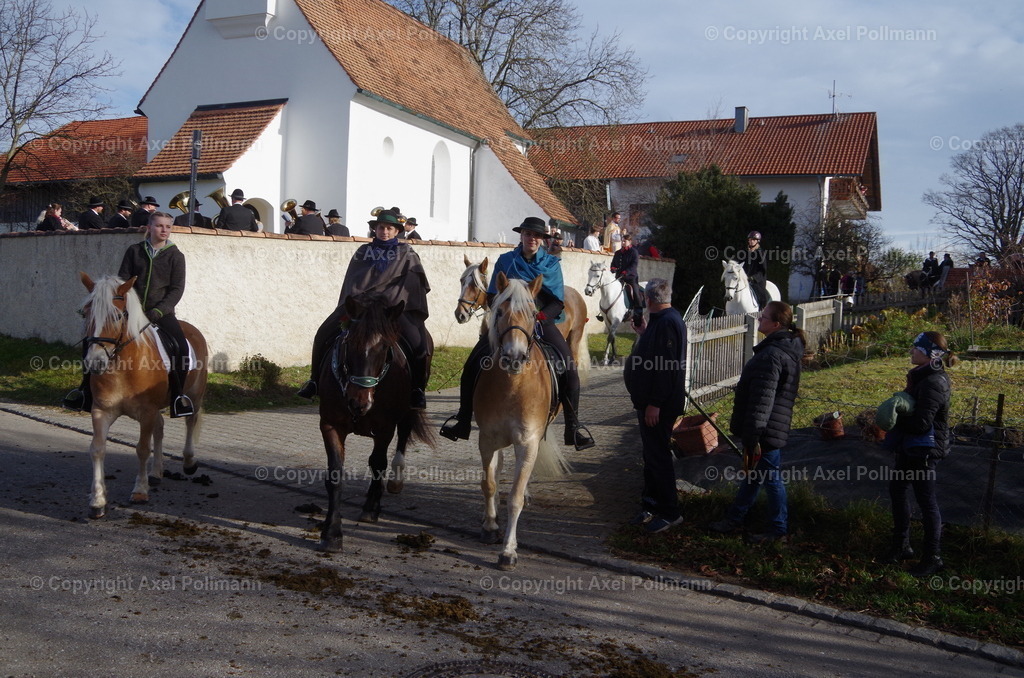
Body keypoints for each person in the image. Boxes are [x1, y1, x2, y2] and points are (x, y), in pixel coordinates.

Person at [439, 216, 595, 450]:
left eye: (537, 236)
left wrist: (538, 318)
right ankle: (462, 420)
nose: (532, 239)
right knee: (471, 365)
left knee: (569, 370)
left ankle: (573, 428)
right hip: (509, 323)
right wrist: (508, 318)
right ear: (521, 236)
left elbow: (557, 303)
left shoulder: (551, 265)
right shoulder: (505, 261)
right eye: (528, 234)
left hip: (541, 321)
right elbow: (492, 296)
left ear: (542, 239)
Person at [296, 207, 431, 410]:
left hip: (392, 309)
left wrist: (388, 301)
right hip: (362, 307)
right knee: (323, 333)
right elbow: (353, 282)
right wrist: (362, 302)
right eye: (380, 227)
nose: (384, 231)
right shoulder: (362, 252)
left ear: (396, 231)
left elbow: (411, 285)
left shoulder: (408, 254)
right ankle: (314, 381)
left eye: (389, 228)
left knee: (420, 343)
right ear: (375, 230)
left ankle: (417, 390)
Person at [64, 212, 194, 418]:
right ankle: (85, 392)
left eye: (168, 227)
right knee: (92, 341)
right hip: (130, 312)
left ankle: (178, 397)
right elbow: (121, 283)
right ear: (149, 228)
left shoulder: (176, 256)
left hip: (161, 313)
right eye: (159, 226)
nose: (164, 230)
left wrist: (158, 310)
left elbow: (177, 289)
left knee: (180, 346)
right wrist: (105, 304)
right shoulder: (134, 251)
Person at [709, 301, 806, 543]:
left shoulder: (772, 354)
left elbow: (763, 399)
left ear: (775, 324)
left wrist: (753, 434)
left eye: (763, 317)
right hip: (770, 427)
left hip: (765, 430)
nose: (759, 320)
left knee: (771, 480)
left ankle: (778, 530)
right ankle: (735, 518)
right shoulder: (785, 348)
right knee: (754, 476)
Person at [880, 331, 955, 577]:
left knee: (927, 503)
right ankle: (902, 546)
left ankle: (933, 557)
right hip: (910, 447)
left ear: (929, 353)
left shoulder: (934, 382)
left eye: (916, 349)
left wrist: (894, 420)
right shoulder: (921, 377)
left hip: (924, 450)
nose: (911, 352)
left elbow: (922, 424)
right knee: (898, 490)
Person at [623, 278, 687, 533]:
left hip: (659, 407)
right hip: (650, 404)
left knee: (659, 458)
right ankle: (650, 504)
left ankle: (670, 512)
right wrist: (644, 334)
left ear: (649, 300)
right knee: (650, 457)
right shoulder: (660, 322)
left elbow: (665, 369)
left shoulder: (669, 323)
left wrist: (654, 404)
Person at [610, 232, 644, 322]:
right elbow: (613, 263)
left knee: (636, 293)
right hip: (619, 278)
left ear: (630, 241)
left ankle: (638, 313)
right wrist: (613, 268)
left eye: (625, 241)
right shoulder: (617, 253)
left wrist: (626, 272)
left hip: (631, 278)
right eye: (622, 241)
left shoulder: (634, 252)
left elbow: (634, 265)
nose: (623, 243)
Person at [738, 230, 768, 309]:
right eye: (750, 239)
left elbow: (762, 270)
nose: (751, 241)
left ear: (757, 241)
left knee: (762, 296)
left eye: (753, 240)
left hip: (757, 281)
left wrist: (753, 278)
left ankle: (762, 310)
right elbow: (740, 265)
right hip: (745, 279)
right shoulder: (744, 252)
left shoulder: (761, 253)